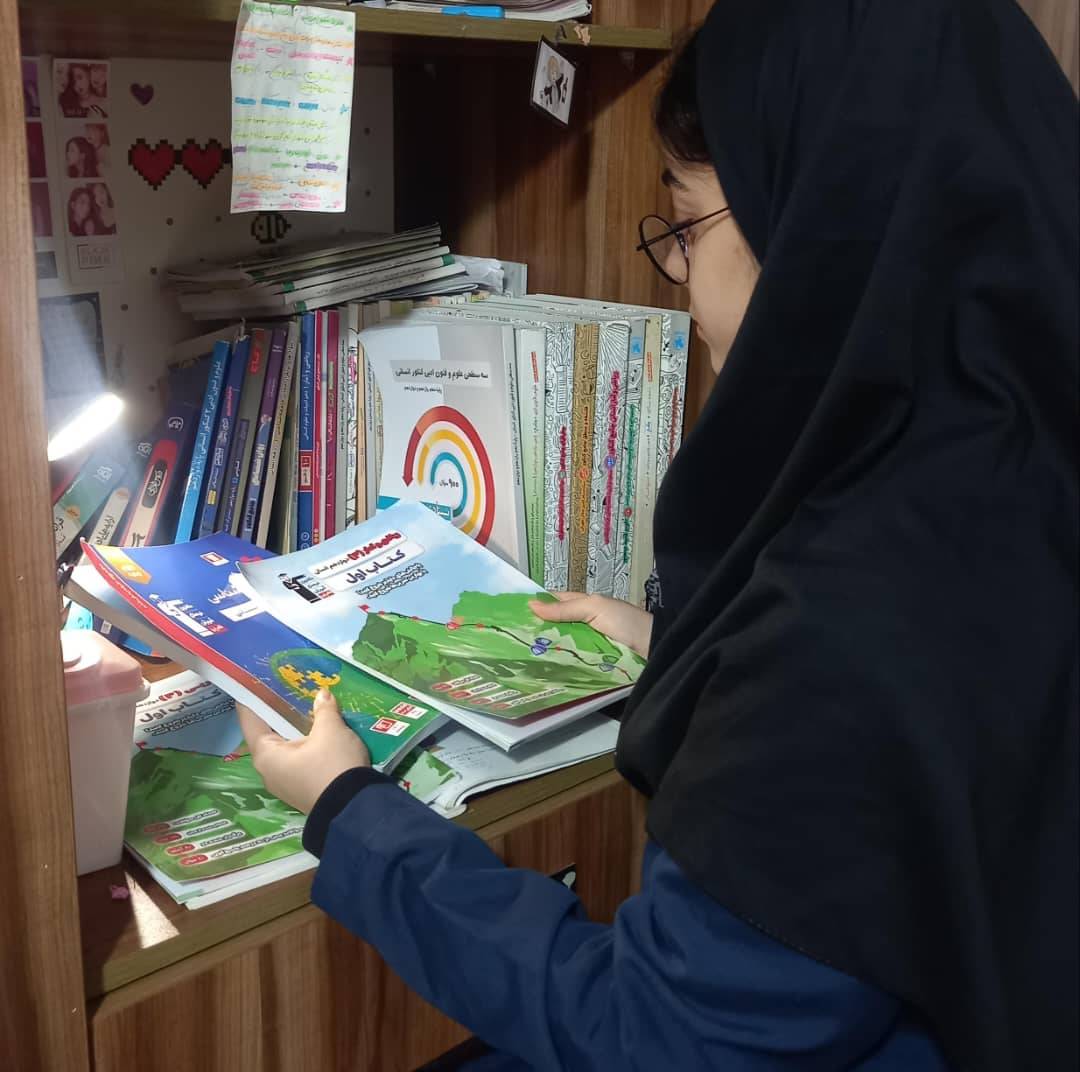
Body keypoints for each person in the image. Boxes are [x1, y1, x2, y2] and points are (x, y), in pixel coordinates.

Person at [238, 2, 1078, 1070]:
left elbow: (653, 1039)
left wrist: (351, 812)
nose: (676, 274)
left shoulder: (843, 630)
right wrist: (690, 647)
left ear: (817, 225)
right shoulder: (1013, 454)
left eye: (686, 223)